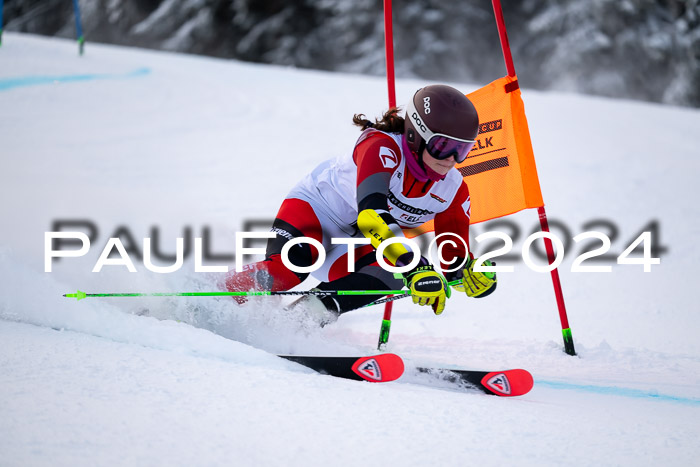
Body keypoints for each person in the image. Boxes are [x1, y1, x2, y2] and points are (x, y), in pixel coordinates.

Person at [223, 84, 497, 323]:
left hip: (359, 241)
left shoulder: (453, 189)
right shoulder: (381, 147)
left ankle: (299, 321)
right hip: (317, 213)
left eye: (461, 150)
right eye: (442, 146)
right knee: (289, 272)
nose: (450, 159)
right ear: (416, 134)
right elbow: (372, 216)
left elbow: (454, 256)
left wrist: (469, 274)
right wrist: (416, 267)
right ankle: (215, 294)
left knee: (392, 272)